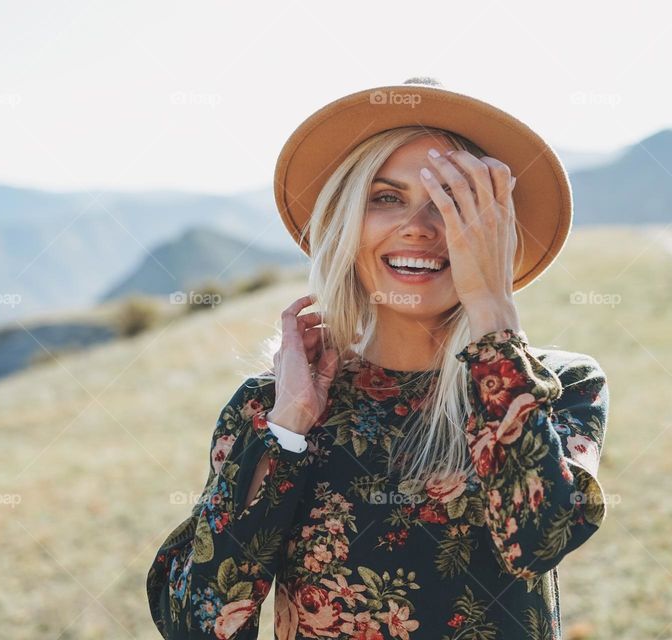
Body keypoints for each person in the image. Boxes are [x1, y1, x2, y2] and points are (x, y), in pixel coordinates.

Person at [146, 77, 609, 639]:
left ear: (493, 231)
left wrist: (492, 306)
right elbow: (198, 626)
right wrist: (288, 427)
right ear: (344, 223)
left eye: (453, 203)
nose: (419, 227)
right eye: (386, 198)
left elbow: (541, 541)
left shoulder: (559, 385)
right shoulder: (269, 411)